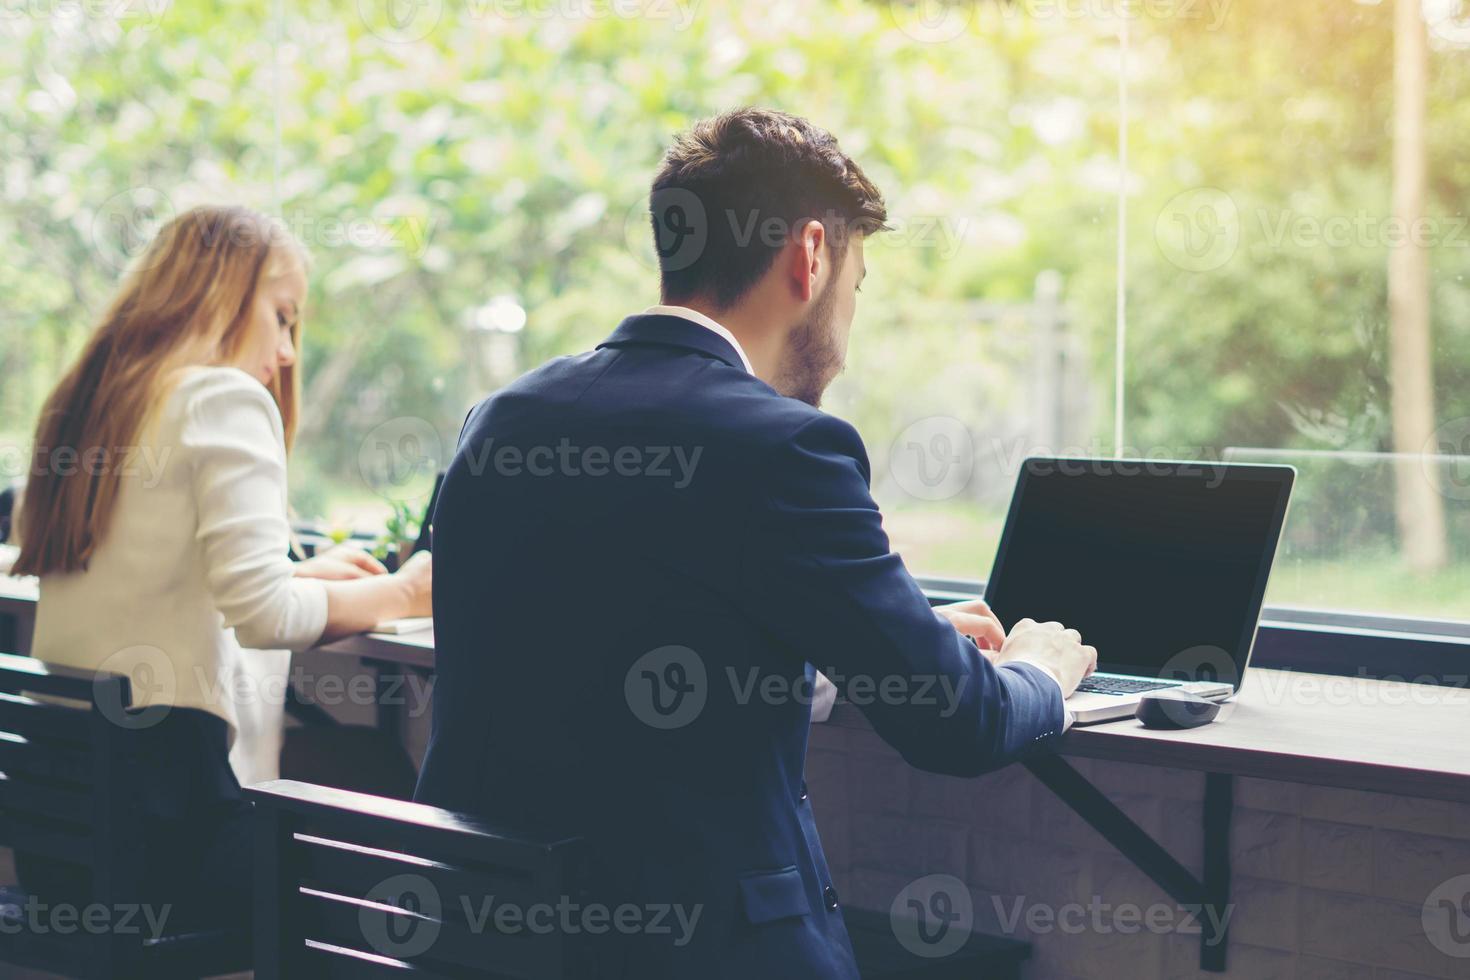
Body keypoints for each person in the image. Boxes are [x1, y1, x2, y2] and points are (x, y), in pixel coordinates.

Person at [416, 108, 1095, 978]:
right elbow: (956, 725)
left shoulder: (503, 419)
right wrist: (1039, 668)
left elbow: (621, 633)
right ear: (810, 257)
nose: (846, 336)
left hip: (488, 943)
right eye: (858, 285)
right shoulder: (784, 447)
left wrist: (901, 638)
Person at [12, 205, 433, 927]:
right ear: (218, 295)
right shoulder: (220, 395)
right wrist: (402, 592)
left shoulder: (89, 406)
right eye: (282, 315)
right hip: (163, 840)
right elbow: (263, 618)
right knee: (401, 848)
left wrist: (300, 572)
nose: (289, 351)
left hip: (62, 843)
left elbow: (152, 570)